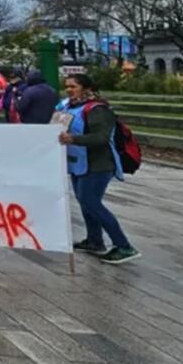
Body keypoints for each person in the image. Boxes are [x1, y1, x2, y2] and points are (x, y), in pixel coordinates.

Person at [58, 74, 139, 265]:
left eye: (73, 86)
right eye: (67, 86)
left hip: (99, 165)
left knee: (91, 202)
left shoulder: (97, 109)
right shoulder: (68, 106)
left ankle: (124, 246)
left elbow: (101, 137)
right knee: (85, 202)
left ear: (86, 88)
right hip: (79, 163)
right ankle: (94, 240)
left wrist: (73, 139)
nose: (69, 89)